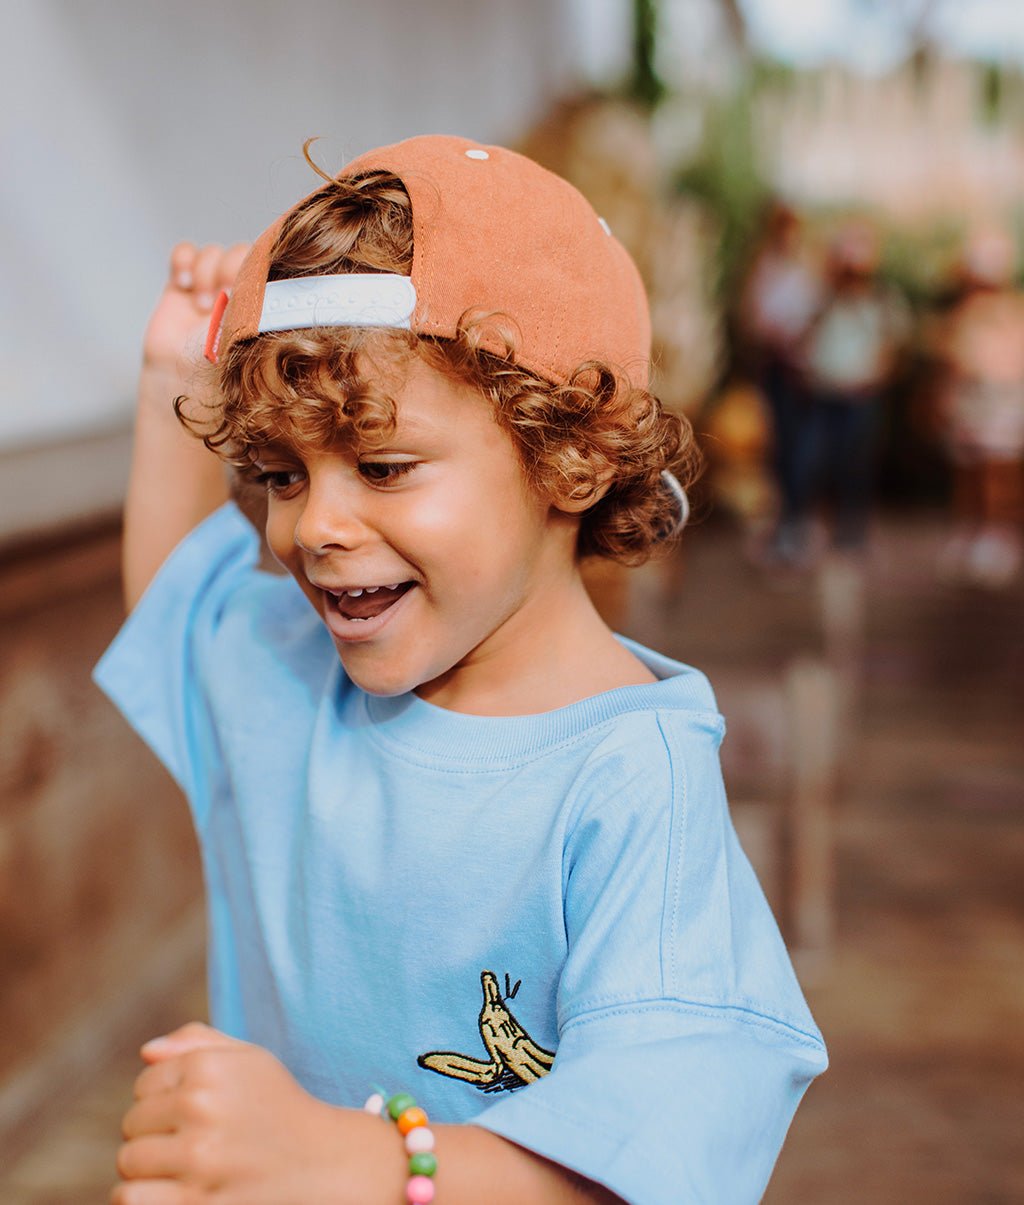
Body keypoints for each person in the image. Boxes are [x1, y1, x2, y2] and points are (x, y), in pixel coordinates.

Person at [96, 134, 826, 1205]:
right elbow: (177, 598)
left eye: (383, 465)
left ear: (570, 454)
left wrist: (344, 1161)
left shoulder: (632, 779)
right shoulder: (295, 680)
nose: (316, 526)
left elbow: (661, 1146)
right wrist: (172, 379)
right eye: (282, 474)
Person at [795, 220, 909, 557]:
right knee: (817, 462)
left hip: (860, 396)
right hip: (824, 393)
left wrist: (877, 375)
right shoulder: (823, 301)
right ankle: (818, 527)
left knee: (855, 465)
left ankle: (853, 532)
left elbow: (894, 346)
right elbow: (804, 337)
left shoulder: (882, 302)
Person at [932, 227, 1024, 588]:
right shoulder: (965, 312)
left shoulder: (1010, 312)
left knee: (998, 472)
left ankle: (998, 536)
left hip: (999, 400)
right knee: (969, 471)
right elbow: (952, 358)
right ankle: (973, 533)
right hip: (971, 401)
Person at [736, 202, 822, 564]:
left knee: (798, 448)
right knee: (778, 447)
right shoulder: (764, 270)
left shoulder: (806, 272)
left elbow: (815, 315)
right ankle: (784, 523)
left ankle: (794, 521)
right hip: (776, 367)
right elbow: (752, 317)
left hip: (800, 371)